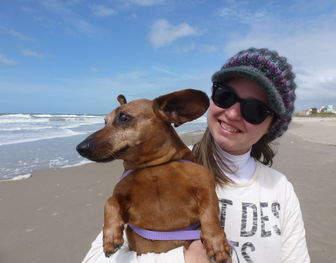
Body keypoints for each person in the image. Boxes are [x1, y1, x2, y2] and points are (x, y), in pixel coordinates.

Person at [82, 48, 310, 263]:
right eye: (225, 96)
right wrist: (184, 259)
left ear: (271, 126)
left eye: (255, 110)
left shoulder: (280, 188)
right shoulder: (151, 168)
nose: (232, 113)